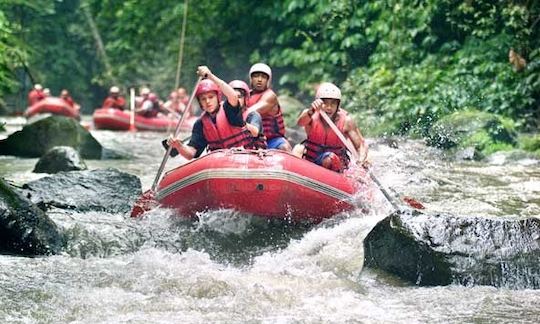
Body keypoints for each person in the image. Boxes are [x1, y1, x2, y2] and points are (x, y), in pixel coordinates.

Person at [167, 66, 255, 159]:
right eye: (203, 99)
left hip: (244, 156)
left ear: (218, 97)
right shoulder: (200, 124)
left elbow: (233, 95)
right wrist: (179, 146)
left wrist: (210, 76)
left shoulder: (229, 109)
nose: (207, 101)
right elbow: (191, 154)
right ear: (200, 102)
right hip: (219, 162)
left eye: (211, 97)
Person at [296, 82, 368, 172]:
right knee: (297, 149)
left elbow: (360, 146)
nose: (329, 107)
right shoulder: (310, 115)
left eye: (333, 103)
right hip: (312, 162)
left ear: (338, 105)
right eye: (325, 103)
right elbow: (300, 123)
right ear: (318, 103)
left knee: (330, 158)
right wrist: (311, 111)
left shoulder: (346, 121)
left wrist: (361, 160)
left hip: (336, 167)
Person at [246, 63, 292, 151]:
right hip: (251, 141)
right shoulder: (245, 95)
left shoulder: (270, 96)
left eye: (263, 77)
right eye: (256, 76)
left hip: (272, 140)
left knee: (284, 147)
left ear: (268, 80)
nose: (259, 80)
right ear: (251, 79)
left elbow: (252, 111)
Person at [228, 79, 266, 149]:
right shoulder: (223, 115)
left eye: (239, 97)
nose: (236, 100)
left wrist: (243, 124)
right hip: (231, 152)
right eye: (233, 97)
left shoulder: (253, 115)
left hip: (254, 152)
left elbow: (255, 132)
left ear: (245, 99)